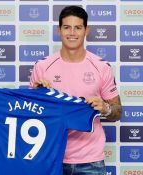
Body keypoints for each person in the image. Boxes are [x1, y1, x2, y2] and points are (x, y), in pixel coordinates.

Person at [29, 5, 122, 175]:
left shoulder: (102, 67)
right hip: (50, 156)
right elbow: (30, 114)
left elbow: (117, 112)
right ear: (59, 30)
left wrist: (105, 108)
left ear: (86, 30)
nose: (72, 33)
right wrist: (36, 95)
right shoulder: (42, 66)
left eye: (78, 27)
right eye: (67, 27)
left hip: (90, 161)